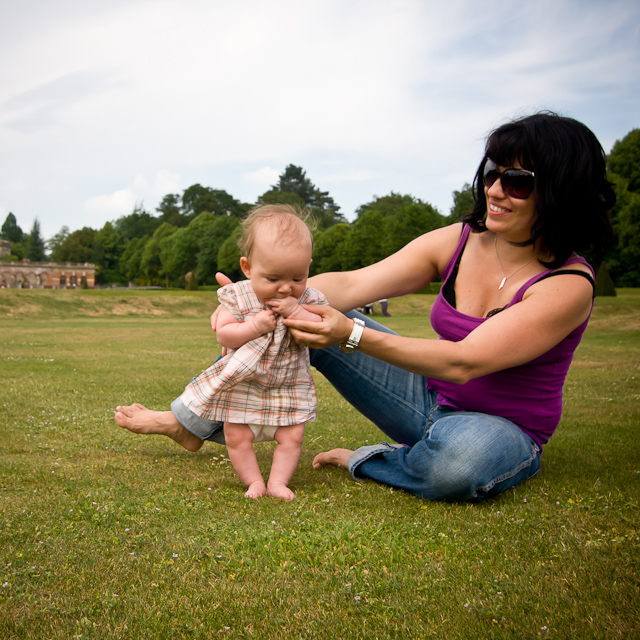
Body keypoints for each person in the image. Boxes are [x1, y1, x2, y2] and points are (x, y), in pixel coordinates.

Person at [218, 112, 614, 501]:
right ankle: (189, 422)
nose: (494, 190)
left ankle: (373, 460)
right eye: (493, 172)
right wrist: (250, 301)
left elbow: (464, 361)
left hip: (499, 429)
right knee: (296, 321)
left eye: (517, 182)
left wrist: (351, 333)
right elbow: (354, 284)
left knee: (459, 467)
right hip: (424, 399)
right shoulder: (462, 240)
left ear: (562, 190)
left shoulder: (568, 284)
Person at [116, 205, 327, 500]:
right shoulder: (239, 296)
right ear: (248, 268)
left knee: (292, 436)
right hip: (243, 382)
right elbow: (225, 333)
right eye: (273, 279)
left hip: (287, 384)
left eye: (297, 278)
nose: (285, 289)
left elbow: (321, 330)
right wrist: (254, 326)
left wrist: (296, 311)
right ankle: (254, 481)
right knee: (237, 435)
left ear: (308, 267)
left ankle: (278, 482)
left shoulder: (308, 299)